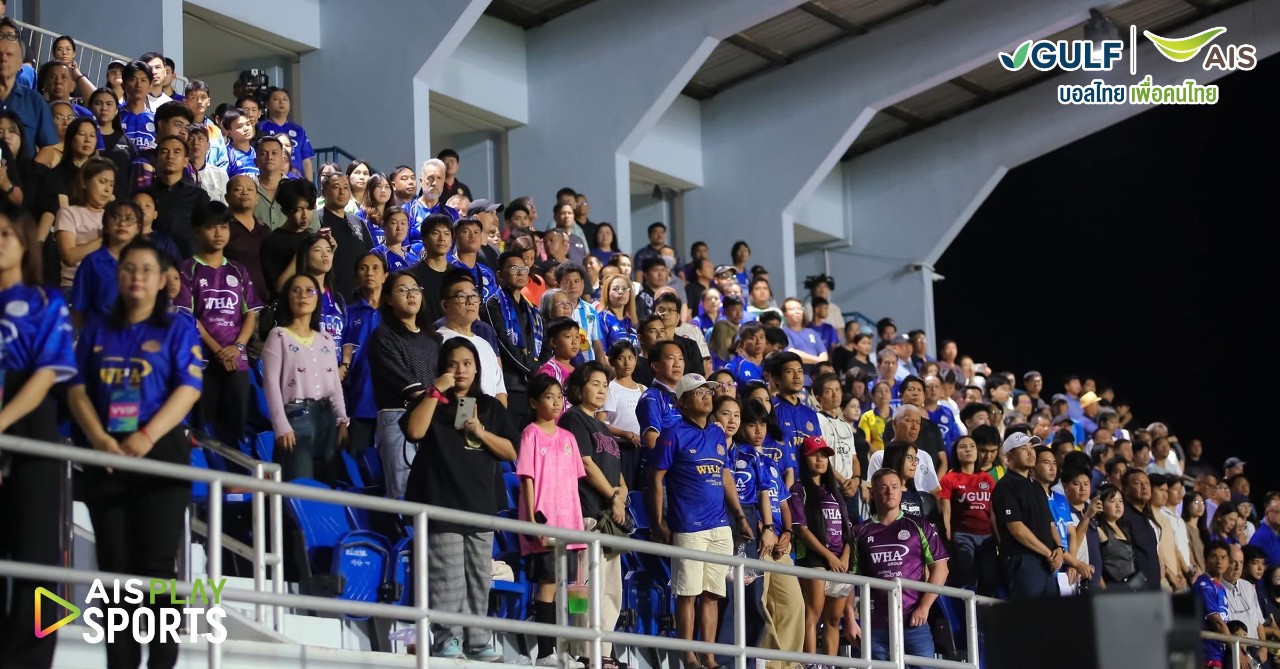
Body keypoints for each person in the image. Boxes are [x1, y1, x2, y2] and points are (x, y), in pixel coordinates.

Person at [66, 239, 201, 669]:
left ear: (162, 280)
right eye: (128, 268)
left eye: (146, 269)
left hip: (160, 452)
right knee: (114, 571)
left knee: (156, 566)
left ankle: (161, 661)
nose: (136, 276)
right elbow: (76, 389)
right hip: (106, 455)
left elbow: (188, 388)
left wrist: (146, 436)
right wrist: (99, 439)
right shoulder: (97, 329)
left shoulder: (177, 327)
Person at [402, 336, 518, 660]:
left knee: (479, 578)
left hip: (480, 502)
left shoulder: (490, 406)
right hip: (441, 499)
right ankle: (447, 640)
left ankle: (478, 642)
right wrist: (435, 390)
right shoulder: (431, 401)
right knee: (448, 576)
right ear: (442, 368)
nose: (460, 370)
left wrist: (481, 433)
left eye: (467, 364)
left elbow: (512, 450)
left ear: (477, 369)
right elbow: (414, 432)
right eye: (452, 364)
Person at [0, 204, 76, 669]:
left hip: (31, 433)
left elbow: (48, 371)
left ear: (25, 242)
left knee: (39, 561)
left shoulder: (46, 301)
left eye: (5, 233)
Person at [649, 373, 752, 669]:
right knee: (688, 594)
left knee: (713, 595)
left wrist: (739, 516)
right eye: (698, 393)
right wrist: (658, 522)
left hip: (720, 526)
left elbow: (725, 475)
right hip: (688, 526)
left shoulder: (718, 434)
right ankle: (689, 655)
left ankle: (708, 656)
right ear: (682, 402)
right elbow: (655, 479)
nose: (706, 396)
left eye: (708, 392)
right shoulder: (672, 433)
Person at [176, 202, 261, 450]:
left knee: (236, 430)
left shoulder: (238, 270)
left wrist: (237, 347)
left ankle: (236, 474)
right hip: (202, 361)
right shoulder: (186, 269)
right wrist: (218, 350)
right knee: (203, 431)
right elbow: (188, 317)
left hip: (237, 361)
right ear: (196, 231)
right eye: (211, 227)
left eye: (223, 227)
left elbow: (250, 314)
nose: (218, 233)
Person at [516, 374, 587, 667]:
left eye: (560, 396)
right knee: (547, 585)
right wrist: (533, 521)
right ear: (534, 402)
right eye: (549, 397)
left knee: (567, 588)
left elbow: (574, 481)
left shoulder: (569, 438)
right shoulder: (530, 433)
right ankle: (545, 652)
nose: (557, 402)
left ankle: (564, 649)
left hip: (569, 522)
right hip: (544, 522)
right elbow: (527, 478)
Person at [560, 362, 628, 666]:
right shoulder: (573, 418)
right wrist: (613, 497)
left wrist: (621, 496)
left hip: (610, 518)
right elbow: (585, 464)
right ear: (579, 387)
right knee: (584, 587)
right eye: (595, 384)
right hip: (586, 514)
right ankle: (584, 651)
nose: (601, 390)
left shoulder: (603, 427)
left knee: (611, 590)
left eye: (605, 385)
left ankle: (604, 652)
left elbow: (618, 472)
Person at [851, 468, 949, 667]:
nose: (890, 492)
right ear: (873, 493)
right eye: (884, 487)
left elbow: (941, 568)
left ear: (901, 491)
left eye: (895, 487)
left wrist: (924, 606)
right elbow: (849, 579)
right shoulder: (860, 531)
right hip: (874, 624)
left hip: (914, 621)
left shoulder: (919, 525)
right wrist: (850, 619)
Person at [262, 273, 349, 482]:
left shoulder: (326, 339)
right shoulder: (279, 336)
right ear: (287, 297)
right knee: (301, 485)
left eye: (310, 291)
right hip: (297, 418)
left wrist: (342, 419)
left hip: (327, 419)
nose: (303, 295)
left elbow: (334, 384)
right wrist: (281, 426)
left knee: (328, 485)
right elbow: (271, 384)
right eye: (296, 290)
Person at [367, 271, 439, 499]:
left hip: (433, 417)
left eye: (415, 289)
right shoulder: (383, 336)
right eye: (402, 289)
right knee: (404, 492)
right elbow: (409, 387)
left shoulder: (433, 339)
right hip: (399, 418)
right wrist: (437, 398)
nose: (411, 294)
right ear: (388, 299)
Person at [790, 435, 855, 660]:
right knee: (813, 614)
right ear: (804, 458)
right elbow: (801, 530)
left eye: (824, 456)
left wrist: (844, 557)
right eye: (814, 455)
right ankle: (810, 664)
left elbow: (848, 531)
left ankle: (829, 665)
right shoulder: (799, 489)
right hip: (813, 560)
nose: (820, 460)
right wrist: (829, 556)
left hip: (839, 562)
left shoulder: (834, 492)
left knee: (834, 620)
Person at [991, 432, 1062, 598]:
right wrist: (1048, 553)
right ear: (1009, 456)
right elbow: (1016, 528)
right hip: (1023, 561)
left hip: (1046, 562)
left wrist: (1059, 548)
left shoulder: (1037, 486)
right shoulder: (1005, 486)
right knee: (1029, 613)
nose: (1031, 452)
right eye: (1024, 448)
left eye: (1032, 447)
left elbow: (1050, 523)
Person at [437, 269, 507, 406]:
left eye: (474, 296)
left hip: (487, 417)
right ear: (445, 305)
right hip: (456, 414)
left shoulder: (485, 344)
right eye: (462, 296)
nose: (470, 302)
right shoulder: (437, 341)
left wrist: (497, 418)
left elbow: (500, 391)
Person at [340, 252, 386, 456]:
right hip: (358, 402)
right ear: (356, 275)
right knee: (358, 462)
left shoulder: (396, 312)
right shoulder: (347, 313)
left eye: (376, 268)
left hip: (391, 406)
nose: (370, 273)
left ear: (385, 275)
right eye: (363, 268)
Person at [938, 435, 995, 591]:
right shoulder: (949, 479)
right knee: (966, 577)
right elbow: (946, 514)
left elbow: (993, 512)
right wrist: (948, 540)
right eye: (963, 447)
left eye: (972, 446)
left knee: (989, 579)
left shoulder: (988, 479)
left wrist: (999, 538)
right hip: (962, 535)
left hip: (988, 537)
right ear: (955, 453)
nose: (968, 450)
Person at [69, 200, 139, 328]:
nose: (122, 223)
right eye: (115, 218)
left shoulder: (144, 263)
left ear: (138, 228)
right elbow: (78, 311)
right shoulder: (92, 262)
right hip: (100, 335)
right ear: (105, 227)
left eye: (129, 219)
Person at [258, 87, 315, 181]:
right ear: (267, 104)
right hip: (270, 180)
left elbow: (306, 160)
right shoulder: (260, 127)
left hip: (296, 182)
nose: (281, 102)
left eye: (285, 99)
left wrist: (309, 184)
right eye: (276, 99)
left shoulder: (299, 130)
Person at [1122, 468, 1162, 589]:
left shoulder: (1145, 517)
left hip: (1153, 587)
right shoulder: (1123, 516)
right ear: (1125, 489)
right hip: (1137, 589)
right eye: (1137, 483)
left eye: (1146, 483)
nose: (1144, 487)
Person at [1195, 542, 1233, 668]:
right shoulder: (1204, 585)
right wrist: (1236, 650)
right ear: (1205, 560)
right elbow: (1217, 623)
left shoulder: (1220, 587)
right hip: (1207, 654)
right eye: (1214, 557)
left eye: (1223, 558)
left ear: (1228, 561)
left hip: (1219, 653)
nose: (1219, 562)